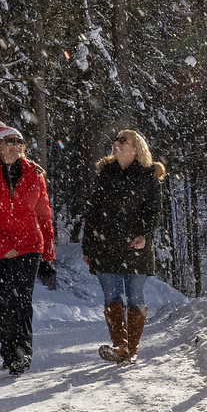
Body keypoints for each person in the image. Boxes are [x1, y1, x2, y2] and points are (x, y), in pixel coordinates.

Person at [0, 121, 56, 375]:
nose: (17, 145)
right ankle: (8, 351)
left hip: (28, 246)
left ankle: (22, 354)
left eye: (19, 141)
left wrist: (49, 253)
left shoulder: (34, 175)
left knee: (21, 298)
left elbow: (44, 216)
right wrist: (3, 246)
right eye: (10, 140)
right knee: (2, 300)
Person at [81, 128, 166, 364]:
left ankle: (132, 349)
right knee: (112, 296)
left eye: (123, 140)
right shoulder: (105, 175)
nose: (116, 143)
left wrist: (145, 235)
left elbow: (155, 213)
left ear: (136, 148)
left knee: (135, 297)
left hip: (135, 246)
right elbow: (93, 213)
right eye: (116, 139)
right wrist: (88, 246)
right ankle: (120, 347)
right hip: (105, 246)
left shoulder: (149, 177)